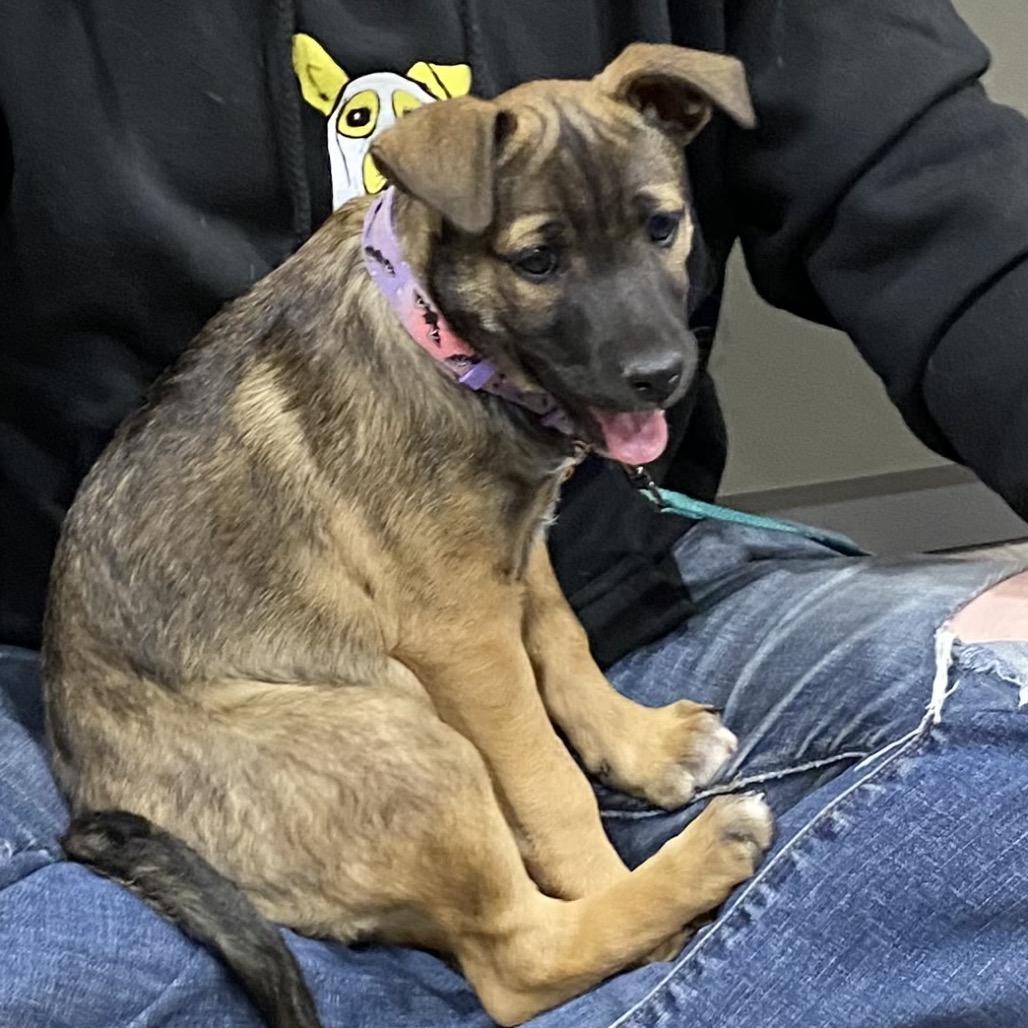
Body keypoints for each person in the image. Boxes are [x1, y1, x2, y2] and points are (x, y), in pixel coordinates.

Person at [3, 1, 1028, 1024]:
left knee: (1004, 717)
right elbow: (452, 621)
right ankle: (543, 941)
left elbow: (497, 555)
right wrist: (578, 852)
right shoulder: (376, 358)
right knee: (45, 973)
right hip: (201, 732)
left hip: (649, 608)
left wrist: (598, 721)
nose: (646, 349)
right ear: (440, 221)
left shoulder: (463, 332)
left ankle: (461, 955)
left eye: (657, 230)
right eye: (540, 259)